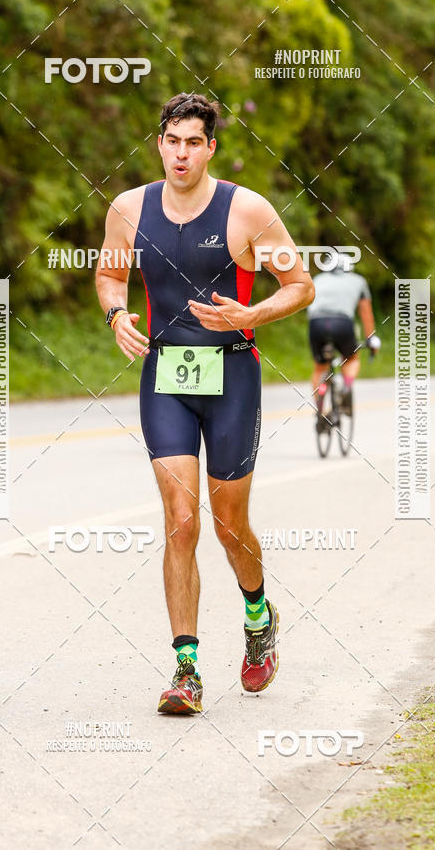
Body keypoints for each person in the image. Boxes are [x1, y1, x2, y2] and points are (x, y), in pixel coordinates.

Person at [96, 92, 314, 714]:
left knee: (228, 525)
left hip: (233, 378)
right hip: (165, 375)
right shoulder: (129, 209)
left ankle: (257, 617)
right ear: (159, 144)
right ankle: (185, 670)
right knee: (180, 519)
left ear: (210, 146)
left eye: (195, 142)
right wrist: (116, 315)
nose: (182, 153)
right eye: (173, 141)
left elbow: (299, 285)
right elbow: (110, 273)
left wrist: (251, 314)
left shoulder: (248, 211)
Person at [307, 252, 381, 428]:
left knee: (319, 367)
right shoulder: (358, 281)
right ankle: (347, 388)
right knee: (352, 358)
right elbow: (365, 312)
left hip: (316, 323)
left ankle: (320, 412)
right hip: (342, 323)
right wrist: (370, 338)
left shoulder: (318, 279)